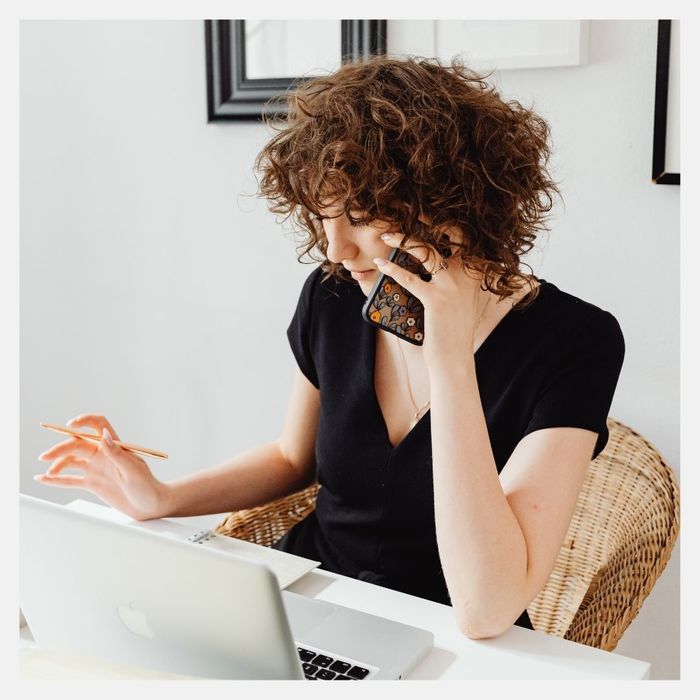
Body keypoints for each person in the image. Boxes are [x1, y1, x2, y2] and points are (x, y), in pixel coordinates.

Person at [34, 56, 625, 640]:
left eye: (362, 216)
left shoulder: (576, 342)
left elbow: (485, 607)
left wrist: (448, 362)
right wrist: (162, 498)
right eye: (323, 216)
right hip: (306, 607)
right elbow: (294, 459)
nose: (335, 248)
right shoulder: (334, 294)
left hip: (447, 644)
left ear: (455, 207)